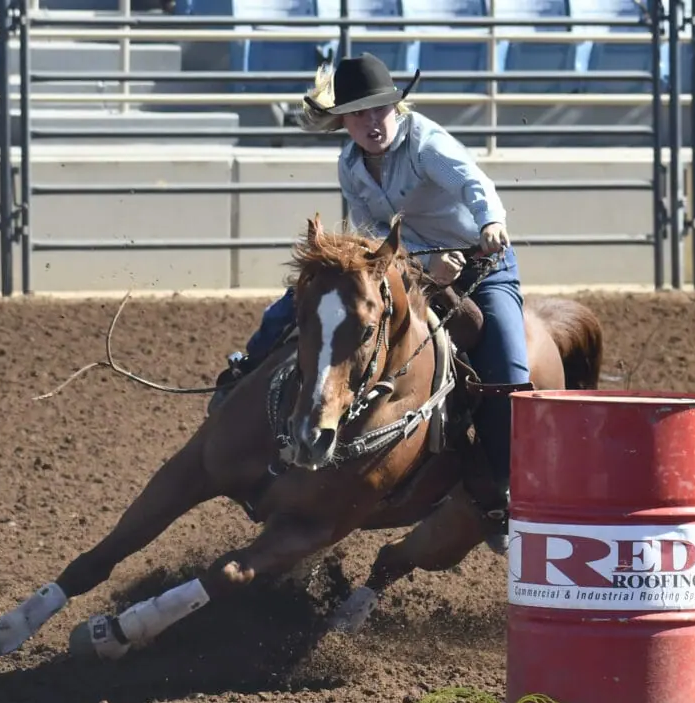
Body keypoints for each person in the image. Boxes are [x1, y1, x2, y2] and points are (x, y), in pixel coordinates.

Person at [211, 52, 529, 553]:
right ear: (343, 120)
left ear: (395, 109)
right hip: (408, 268)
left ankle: (505, 488)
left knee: (509, 374)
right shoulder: (351, 163)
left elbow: (473, 183)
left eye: (377, 110)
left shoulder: (425, 142)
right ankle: (243, 374)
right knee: (298, 307)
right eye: (358, 113)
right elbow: (374, 231)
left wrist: (490, 224)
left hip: (480, 266)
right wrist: (411, 265)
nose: (369, 122)